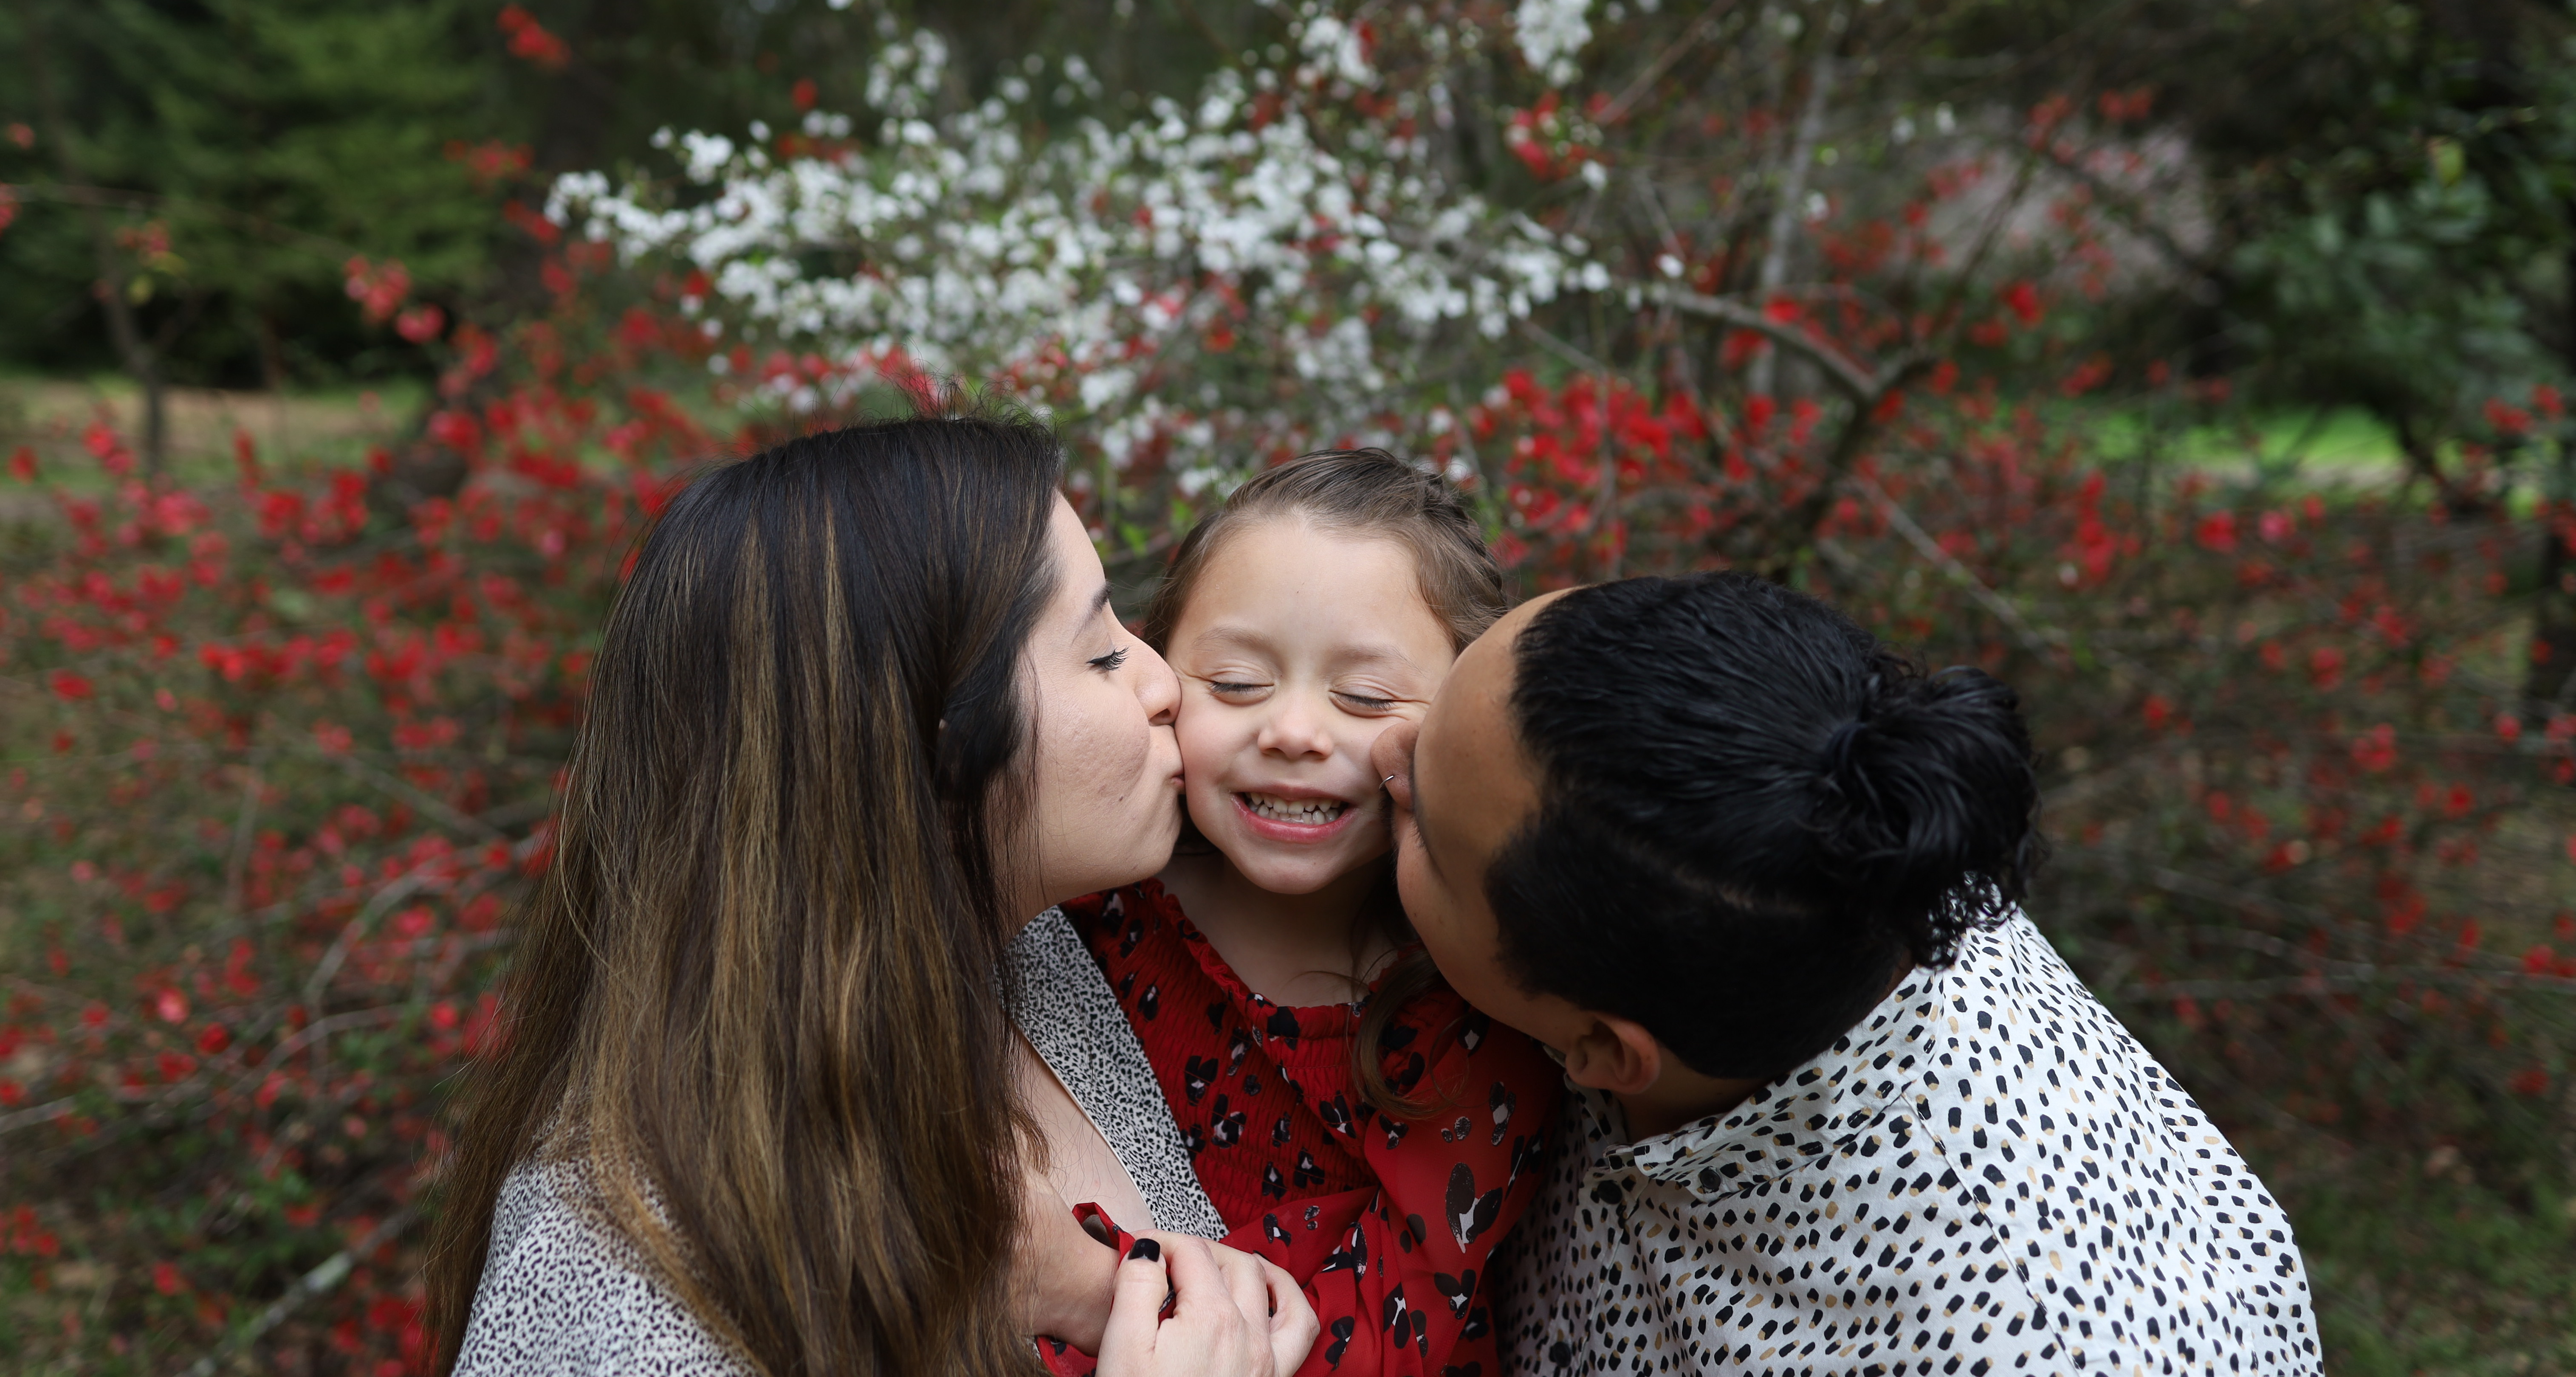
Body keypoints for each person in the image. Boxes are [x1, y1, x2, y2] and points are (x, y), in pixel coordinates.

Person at [423, 414, 1318, 1377]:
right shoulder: (626, 1272)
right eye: (1100, 654)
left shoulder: (1036, 953)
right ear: (928, 762)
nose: (1162, 682)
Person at [1373, 572, 2325, 1375]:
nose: (1381, 754)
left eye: (1429, 834)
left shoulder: (2028, 1334)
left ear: (1601, 1049)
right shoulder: (1821, 842)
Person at [1011, 451, 1562, 1377]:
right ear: (1149, 671)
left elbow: (1395, 1324)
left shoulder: (1465, 997)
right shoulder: (1088, 909)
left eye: (1365, 697)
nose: (1294, 731)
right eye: (1233, 683)